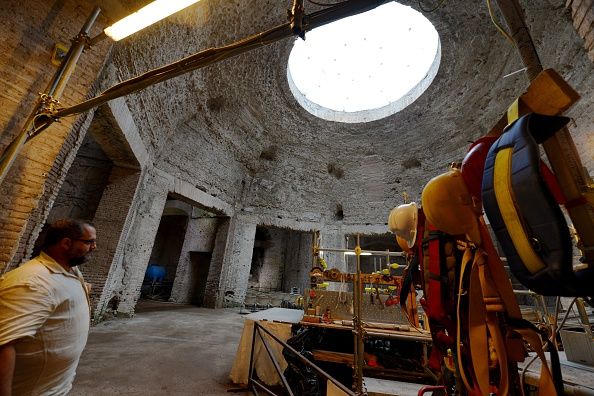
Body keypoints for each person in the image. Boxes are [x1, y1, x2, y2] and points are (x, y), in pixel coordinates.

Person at [0, 219, 96, 396]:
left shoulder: (70, 270)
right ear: (66, 243)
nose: (94, 247)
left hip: (57, 387)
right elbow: (3, 345)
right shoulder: (32, 282)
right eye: (89, 241)